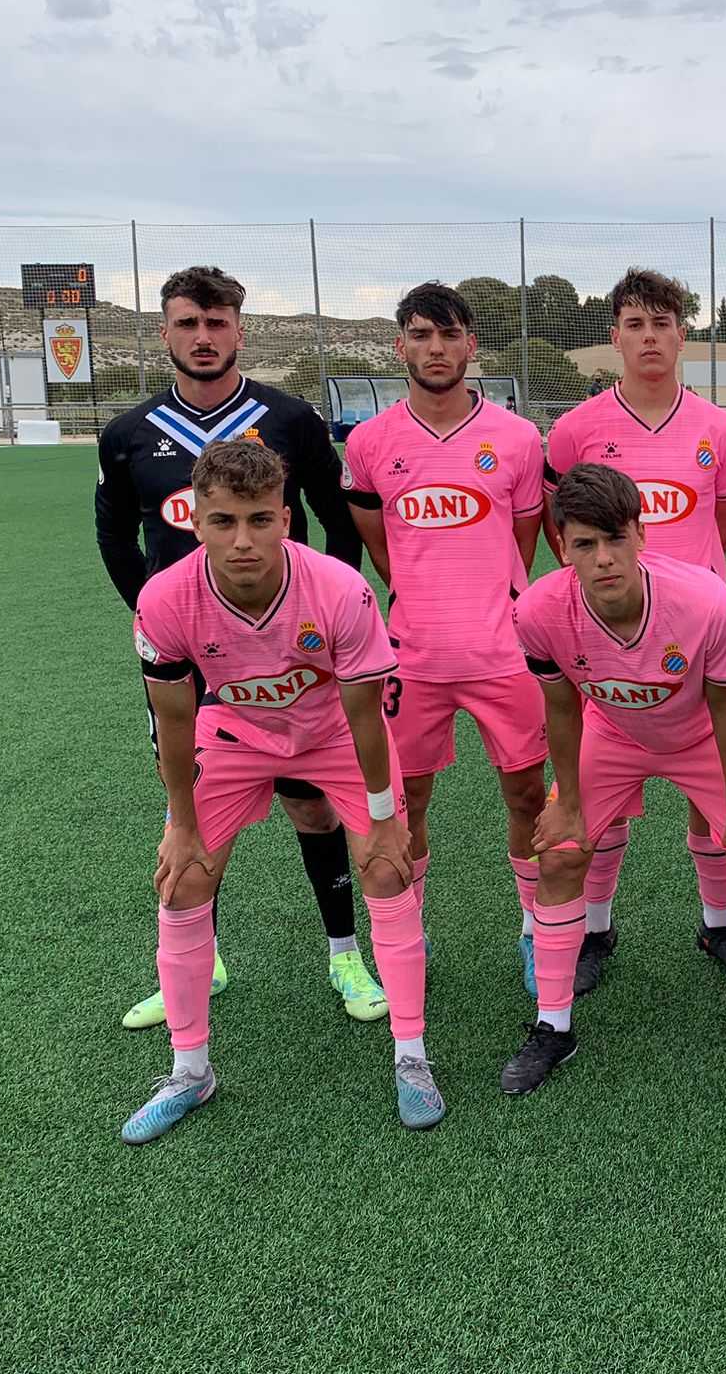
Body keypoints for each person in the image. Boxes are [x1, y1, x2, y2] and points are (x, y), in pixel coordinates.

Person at [120, 440, 437, 1142]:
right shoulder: (164, 598)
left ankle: (411, 1057)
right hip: (233, 732)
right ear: (195, 521)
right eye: (224, 521)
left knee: (388, 868)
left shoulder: (338, 589)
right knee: (182, 881)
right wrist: (181, 824)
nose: (243, 540)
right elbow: (173, 719)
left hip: (333, 734)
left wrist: (383, 816)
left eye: (260, 520)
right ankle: (190, 1071)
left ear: (286, 520)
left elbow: (365, 715)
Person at [95, 264, 375, 1032]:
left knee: (312, 806)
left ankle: (345, 954)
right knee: (188, 807)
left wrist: (323, 623)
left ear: (239, 331)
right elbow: (114, 535)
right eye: (188, 323)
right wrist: (158, 623)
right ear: (165, 332)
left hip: (291, 658)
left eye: (216, 323)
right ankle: (200, 959)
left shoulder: (288, 418)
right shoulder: (127, 434)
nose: (203, 337)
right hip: (191, 661)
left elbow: (338, 522)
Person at [506, 462, 726, 1099]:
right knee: (560, 854)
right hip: (612, 732)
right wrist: (569, 802)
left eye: (616, 538)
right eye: (585, 543)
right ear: (562, 547)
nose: (603, 558)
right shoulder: (538, 610)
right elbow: (561, 707)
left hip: (704, 731)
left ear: (641, 533)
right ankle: (553, 1026)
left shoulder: (703, 600)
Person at [542, 269, 726, 986]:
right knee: (601, 806)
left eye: (662, 323)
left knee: (712, 800)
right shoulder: (576, 430)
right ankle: (595, 930)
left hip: (699, 643)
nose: (650, 337)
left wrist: (690, 594)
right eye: (635, 324)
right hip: (607, 647)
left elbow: (723, 523)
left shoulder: (721, 430)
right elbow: (565, 527)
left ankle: (718, 925)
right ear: (616, 337)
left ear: (682, 334)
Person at [342, 282, 549, 992]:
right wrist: (427, 597)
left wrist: (485, 598)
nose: (436, 348)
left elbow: (522, 542)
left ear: (471, 345)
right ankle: (411, 934)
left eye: (450, 334)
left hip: (504, 653)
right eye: (421, 335)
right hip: (412, 656)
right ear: (399, 345)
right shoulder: (369, 443)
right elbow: (381, 548)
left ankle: (534, 930)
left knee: (528, 797)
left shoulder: (517, 439)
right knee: (408, 803)